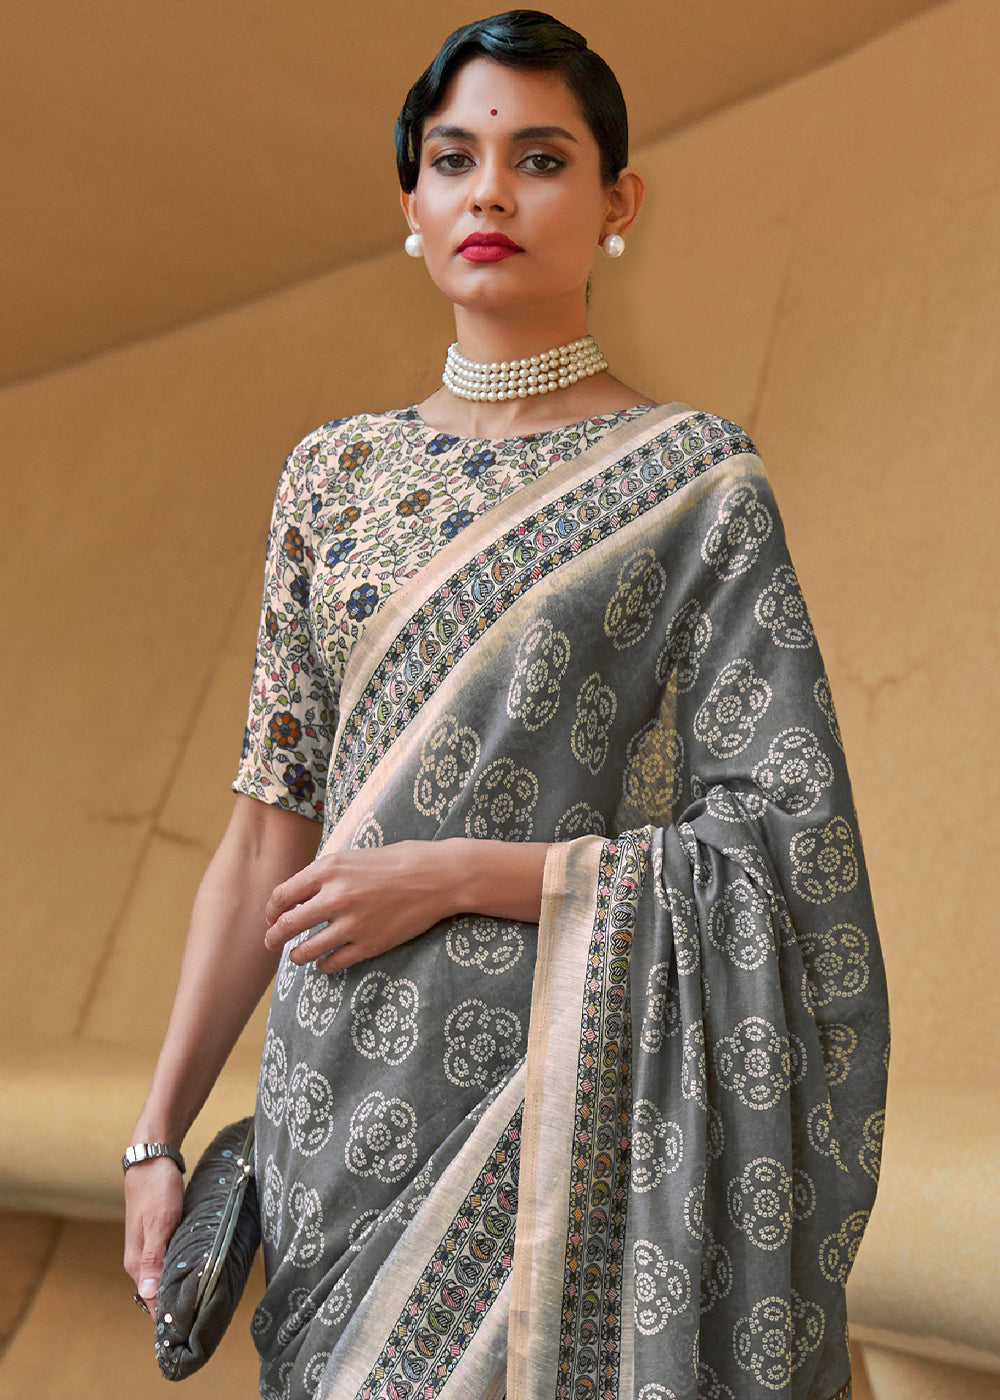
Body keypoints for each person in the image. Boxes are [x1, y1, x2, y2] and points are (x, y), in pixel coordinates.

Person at [124, 12, 888, 1399]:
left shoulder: (696, 483)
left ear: (617, 202)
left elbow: (785, 851)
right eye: (452, 160)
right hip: (327, 1117)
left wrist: (460, 874)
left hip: (560, 1116)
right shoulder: (333, 480)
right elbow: (263, 837)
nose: (490, 193)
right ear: (410, 205)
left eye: (540, 158)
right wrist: (155, 1135)